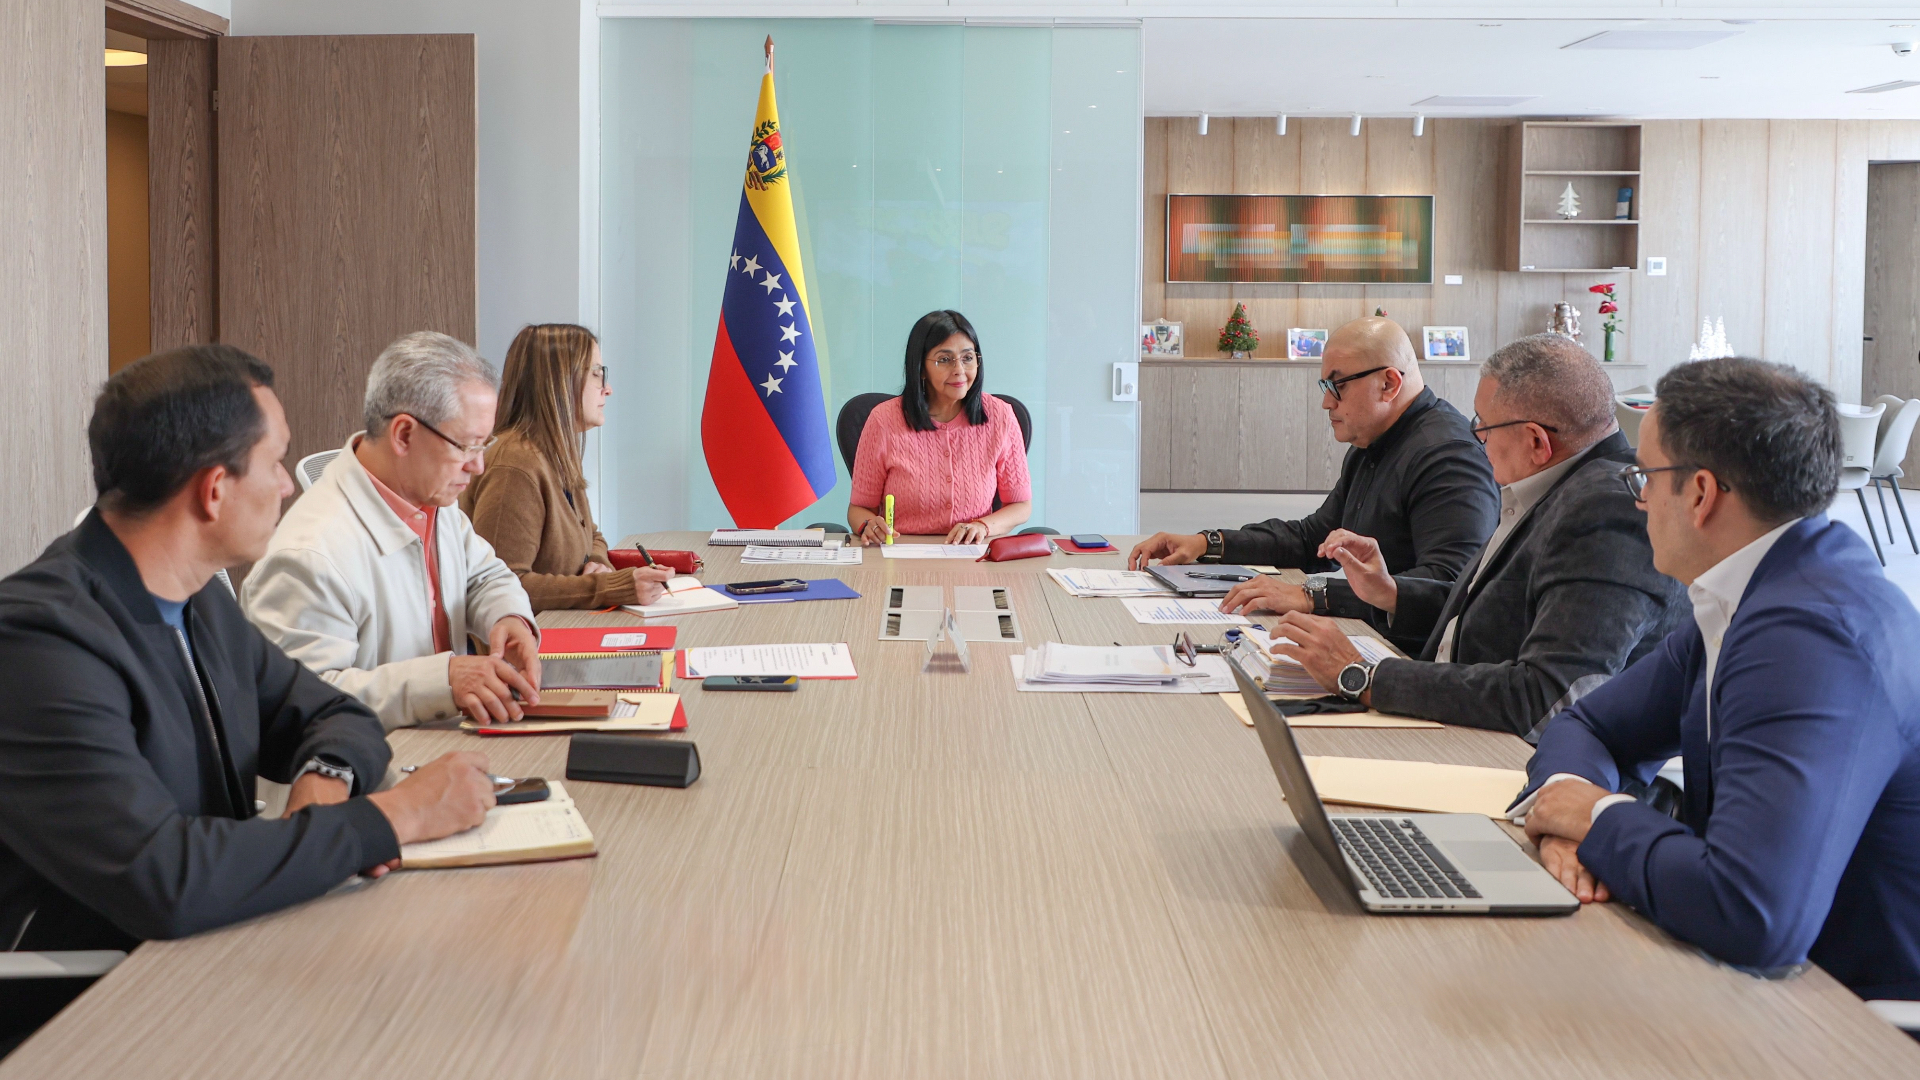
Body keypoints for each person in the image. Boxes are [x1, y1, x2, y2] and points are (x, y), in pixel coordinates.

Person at [0, 345, 495, 971]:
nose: (288, 485)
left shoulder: (199, 598)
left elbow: (337, 714)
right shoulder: (39, 642)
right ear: (214, 490)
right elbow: (165, 877)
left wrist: (327, 781)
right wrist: (396, 816)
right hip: (94, 995)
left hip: (217, 944)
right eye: (276, 462)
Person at [1517, 357, 1920, 1000]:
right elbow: (1589, 723)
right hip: (1773, 978)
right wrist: (1567, 800)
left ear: (1700, 494)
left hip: (1853, 1014)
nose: (1640, 500)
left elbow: (1752, 913)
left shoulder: (1808, 637)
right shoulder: (1760, 587)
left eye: (1644, 477)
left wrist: (1597, 818)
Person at [1263, 335, 1689, 739]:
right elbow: (1490, 614)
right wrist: (1390, 592)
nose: (1477, 438)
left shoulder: (1607, 511)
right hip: (1453, 723)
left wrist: (1360, 675)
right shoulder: (1560, 486)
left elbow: (1545, 697)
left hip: (1504, 756)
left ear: (1536, 441)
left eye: (1483, 425)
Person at [1128, 317, 1498, 653]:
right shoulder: (1375, 442)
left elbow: (1450, 589)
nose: (1326, 402)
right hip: (1367, 641)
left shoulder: (1448, 457)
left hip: (1407, 664)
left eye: (1337, 385)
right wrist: (1208, 543)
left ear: (1388, 383)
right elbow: (1313, 539)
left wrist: (1313, 595)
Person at [244, 332, 542, 730]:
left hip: (442, 737)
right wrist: (441, 682)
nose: (478, 466)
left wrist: (508, 617)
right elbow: (301, 701)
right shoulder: (309, 556)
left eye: (482, 445)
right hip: (375, 760)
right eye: (466, 446)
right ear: (404, 434)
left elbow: (483, 575)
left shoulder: (433, 500)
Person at [460, 324, 673, 612]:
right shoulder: (515, 465)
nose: (608, 389)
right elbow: (502, 586)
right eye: (597, 373)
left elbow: (593, 536)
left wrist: (597, 563)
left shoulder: (554, 452)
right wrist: (610, 587)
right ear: (560, 381)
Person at [847, 310, 1032, 545]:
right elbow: (859, 509)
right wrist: (869, 525)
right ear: (920, 368)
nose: (959, 370)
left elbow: (1020, 505)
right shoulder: (883, 420)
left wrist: (983, 526)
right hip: (902, 552)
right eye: (944, 359)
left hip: (971, 554)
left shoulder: (1001, 416)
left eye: (967, 358)